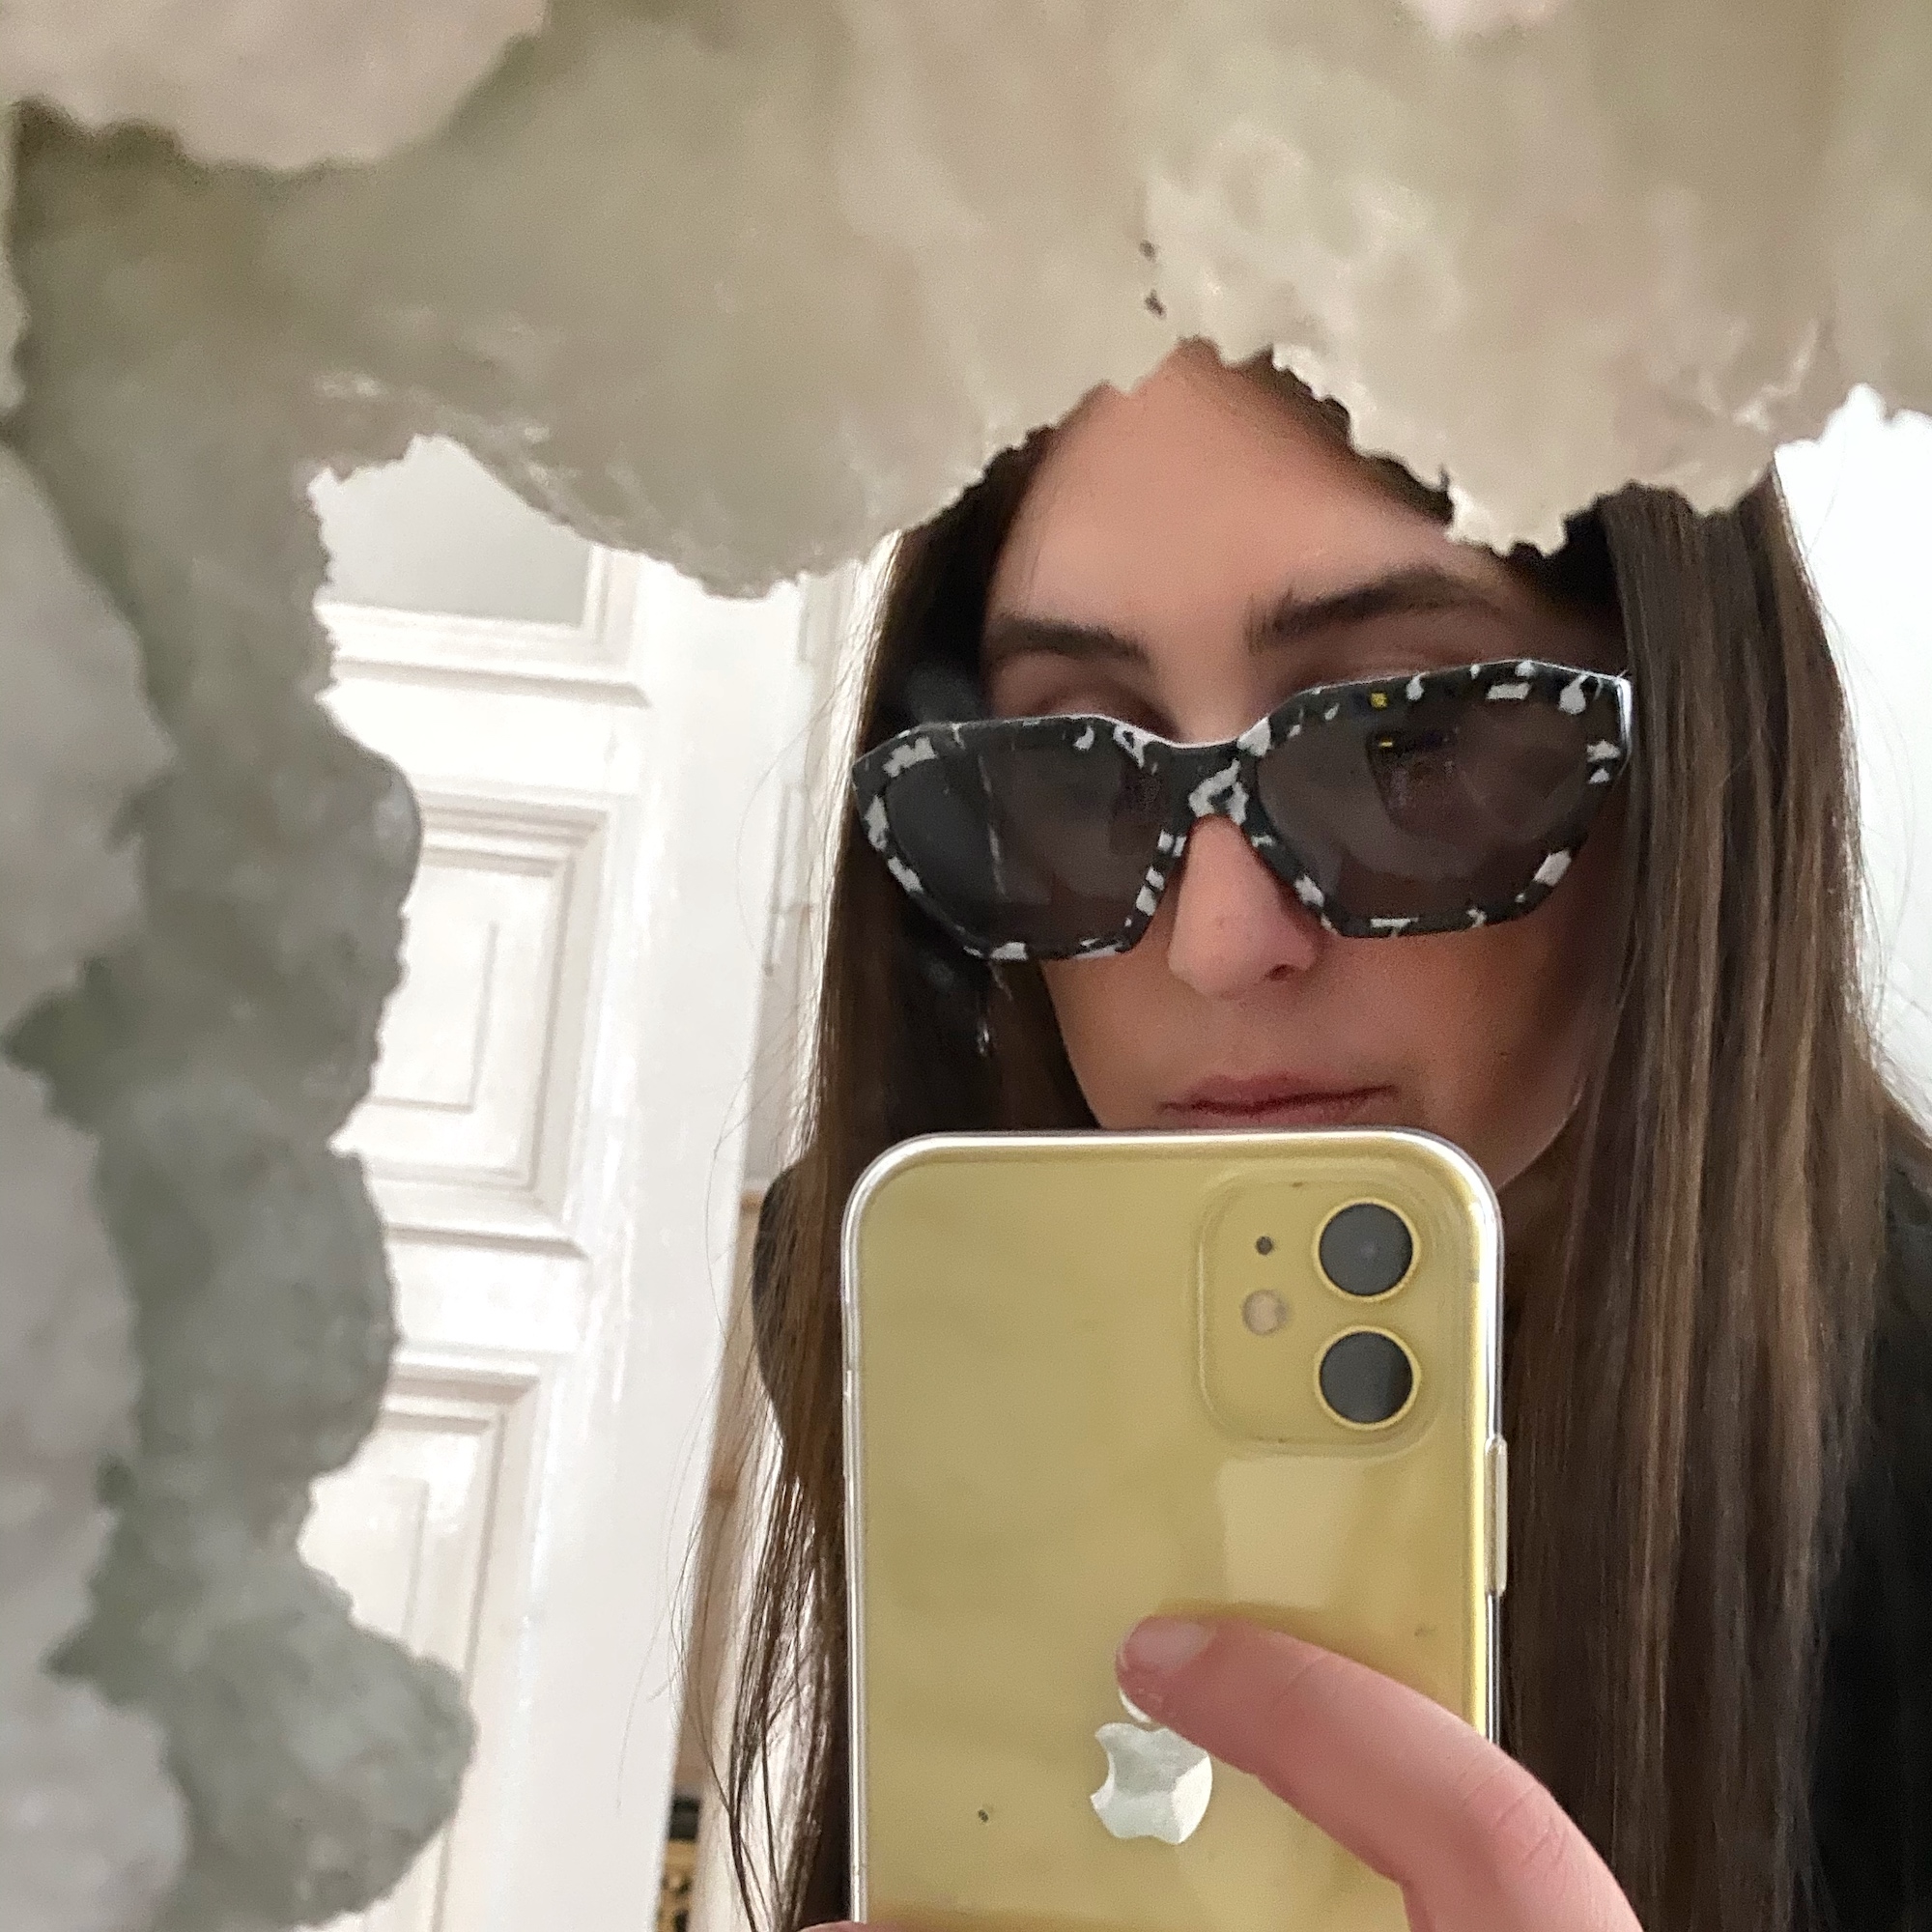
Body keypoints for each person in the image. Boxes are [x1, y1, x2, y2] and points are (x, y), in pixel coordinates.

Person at [727, 343, 1932, 1932]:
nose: (1219, 943)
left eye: (1405, 748)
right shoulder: (913, 1298)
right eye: (1071, 766)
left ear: (1704, 765)